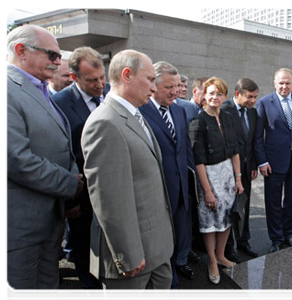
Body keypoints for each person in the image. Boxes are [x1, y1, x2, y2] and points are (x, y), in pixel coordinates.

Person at [81, 50, 174, 300]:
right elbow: (109, 201)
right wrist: (128, 255)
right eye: (150, 79)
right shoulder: (105, 123)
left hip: (156, 249)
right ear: (127, 75)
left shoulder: (133, 113)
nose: (154, 88)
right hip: (133, 259)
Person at [5, 24, 83, 300]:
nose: (58, 62)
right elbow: (17, 160)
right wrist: (71, 183)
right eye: (52, 55)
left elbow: (61, 145)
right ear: (20, 51)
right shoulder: (6, 90)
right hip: (21, 230)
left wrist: (71, 182)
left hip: (49, 223)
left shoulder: (40, 90)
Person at [53, 46, 109, 300]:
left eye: (102, 78)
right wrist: (70, 199)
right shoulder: (59, 104)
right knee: (83, 240)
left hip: (111, 187)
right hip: (81, 192)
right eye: (92, 81)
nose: (100, 85)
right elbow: (60, 154)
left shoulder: (109, 95)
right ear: (75, 78)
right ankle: (89, 286)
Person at [140, 61, 195, 300]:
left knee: (175, 244)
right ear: (153, 86)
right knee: (156, 248)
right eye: (169, 87)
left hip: (181, 191)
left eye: (177, 86)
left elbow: (185, 152)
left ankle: (171, 286)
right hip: (156, 196)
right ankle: (163, 291)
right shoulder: (140, 112)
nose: (176, 91)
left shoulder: (180, 110)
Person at [189, 77, 244, 285]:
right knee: (210, 222)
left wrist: (238, 179)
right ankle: (212, 261)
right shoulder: (197, 121)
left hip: (228, 175)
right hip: (209, 177)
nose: (215, 97)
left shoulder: (228, 117)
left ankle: (221, 255)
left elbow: (235, 150)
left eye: (219, 93)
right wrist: (208, 191)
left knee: (226, 218)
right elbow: (198, 160)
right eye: (211, 93)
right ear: (204, 95)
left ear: (225, 96)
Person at [254, 68, 292, 253]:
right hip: (273, 163)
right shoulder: (264, 103)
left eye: (287, 83)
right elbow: (258, 137)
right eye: (281, 83)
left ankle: (287, 233)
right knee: (273, 201)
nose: (284, 86)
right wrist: (262, 161)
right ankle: (276, 238)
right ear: (274, 83)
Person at [221, 78, 260, 262]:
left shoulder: (252, 113)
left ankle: (244, 240)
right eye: (250, 97)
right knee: (230, 208)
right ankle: (229, 248)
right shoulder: (224, 110)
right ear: (238, 94)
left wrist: (252, 165)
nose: (253, 101)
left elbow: (251, 142)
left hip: (246, 169)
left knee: (244, 205)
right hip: (228, 170)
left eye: (255, 97)